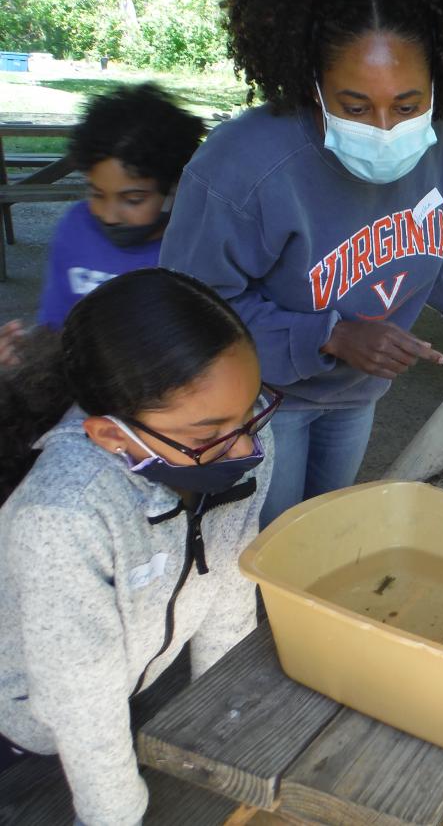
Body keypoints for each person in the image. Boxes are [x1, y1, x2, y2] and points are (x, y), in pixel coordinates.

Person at [160, 0, 443, 529]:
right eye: (356, 106)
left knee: (329, 526)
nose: (387, 128)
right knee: (273, 545)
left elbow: (429, 238)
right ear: (310, 82)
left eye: (409, 104)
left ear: (440, 82)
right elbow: (190, 311)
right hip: (263, 399)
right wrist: (330, 336)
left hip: (357, 396)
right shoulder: (242, 168)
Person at [0, 268, 276, 826]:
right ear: (109, 435)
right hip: (31, 724)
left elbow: (228, 593)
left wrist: (218, 728)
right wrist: (114, 815)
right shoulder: (62, 517)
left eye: (250, 407)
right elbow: (82, 705)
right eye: (209, 433)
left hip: (129, 684)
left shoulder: (237, 447)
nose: (248, 442)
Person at [0, 83, 206, 366]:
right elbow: (56, 328)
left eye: (133, 199)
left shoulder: (197, 248)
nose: (109, 215)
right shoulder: (76, 229)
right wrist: (28, 352)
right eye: (97, 193)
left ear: (175, 188)